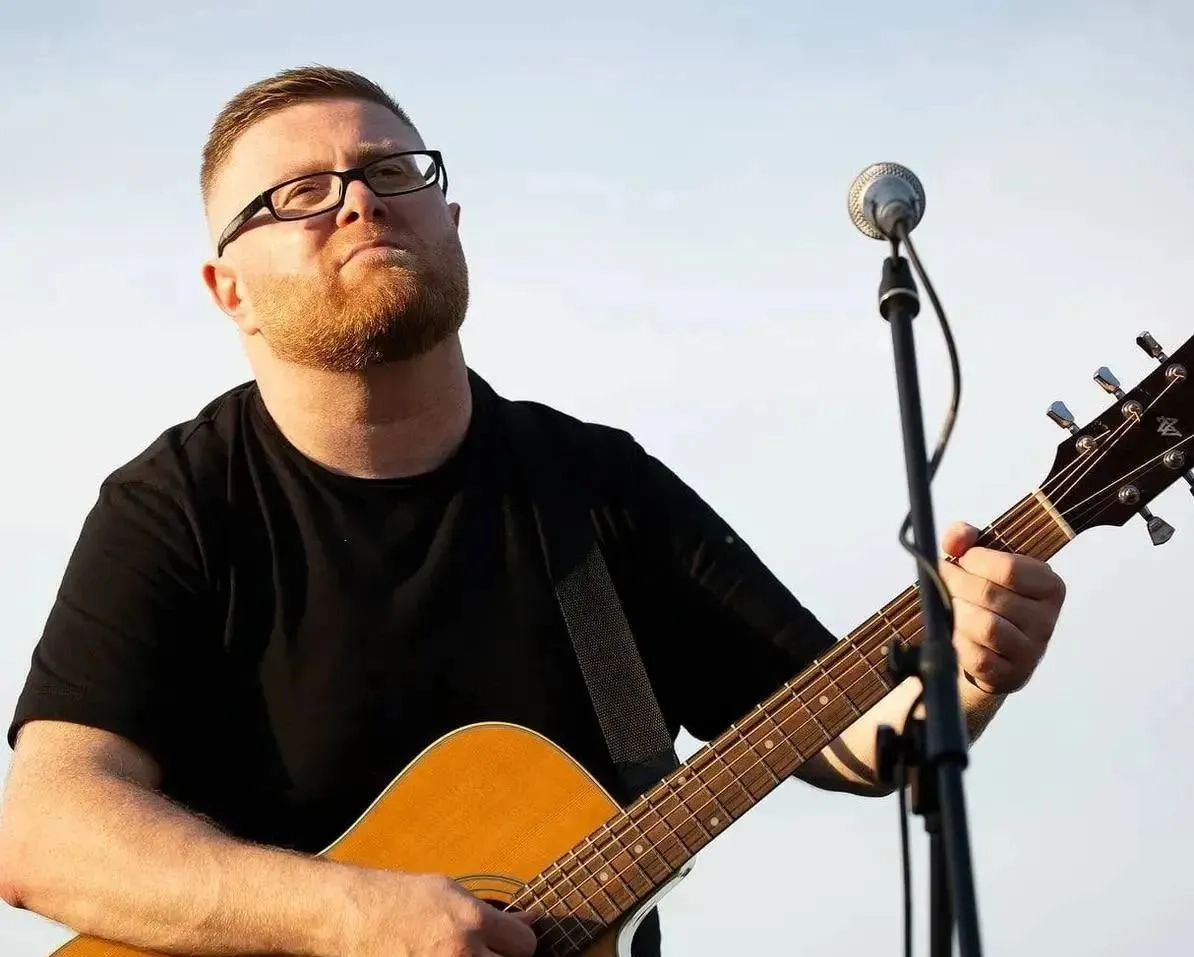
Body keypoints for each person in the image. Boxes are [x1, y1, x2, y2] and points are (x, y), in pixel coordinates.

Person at [0, 66, 1066, 957]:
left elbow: (839, 728)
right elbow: (43, 835)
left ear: (452, 223)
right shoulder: (180, 505)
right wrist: (351, 915)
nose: (360, 201)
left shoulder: (594, 487)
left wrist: (966, 671)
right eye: (300, 194)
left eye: (391, 171)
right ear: (227, 289)